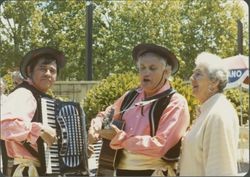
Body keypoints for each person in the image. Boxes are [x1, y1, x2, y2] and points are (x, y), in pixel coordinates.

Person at [88, 43, 190, 176]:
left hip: (154, 173)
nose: (146, 72)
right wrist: (96, 125)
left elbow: (160, 146)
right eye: (142, 68)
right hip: (120, 172)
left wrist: (121, 139)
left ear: (166, 72)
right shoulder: (131, 96)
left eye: (152, 68)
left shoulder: (175, 102)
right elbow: (107, 114)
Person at [0, 47, 66, 177]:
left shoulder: (42, 97)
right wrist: (39, 130)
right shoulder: (24, 93)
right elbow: (4, 126)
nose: (48, 73)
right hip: (27, 171)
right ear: (30, 71)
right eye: (43, 68)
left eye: (52, 70)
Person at [179, 52, 239, 176]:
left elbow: (221, 170)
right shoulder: (208, 111)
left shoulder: (218, 114)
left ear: (215, 82)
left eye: (198, 74)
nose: (192, 78)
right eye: (193, 73)